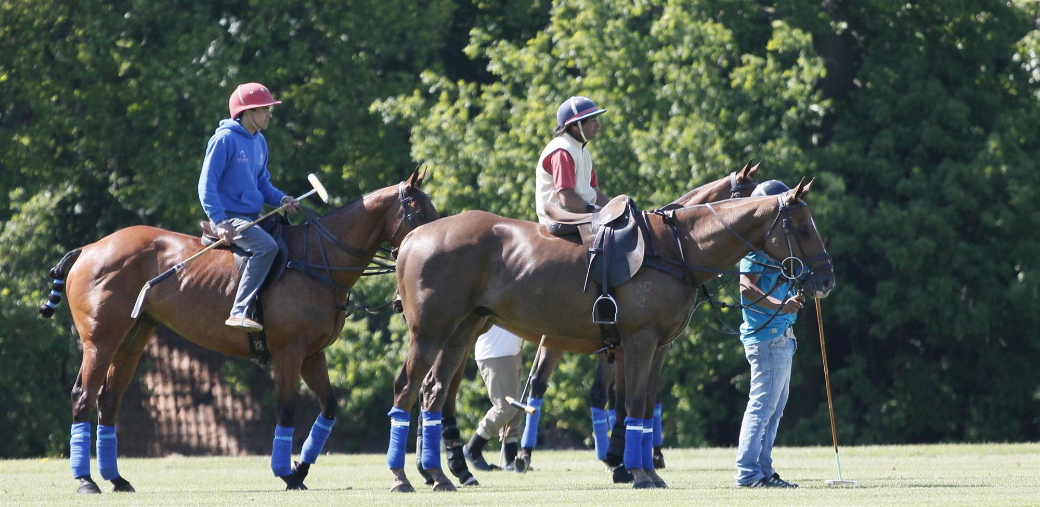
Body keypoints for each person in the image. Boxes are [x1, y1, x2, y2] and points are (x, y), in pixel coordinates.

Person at [198, 82, 301, 332]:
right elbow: (205, 186)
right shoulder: (225, 140)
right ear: (246, 112)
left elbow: (262, 183)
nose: (269, 114)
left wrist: (281, 199)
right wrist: (220, 221)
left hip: (252, 216)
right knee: (267, 247)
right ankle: (238, 310)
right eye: (263, 109)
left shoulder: (259, 141)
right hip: (229, 218)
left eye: (269, 109)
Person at [734, 179, 802, 489]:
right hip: (766, 337)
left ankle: (763, 470)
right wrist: (781, 304)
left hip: (781, 336)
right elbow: (746, 288)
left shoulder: (776, 244)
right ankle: (748, 473)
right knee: (762, 407)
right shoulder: (755, 246)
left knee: (774, 410)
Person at [534, 95, 610, 224]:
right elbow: (567, 199)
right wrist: (598, 213)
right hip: (561, 222)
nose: (597, 125)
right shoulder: (562, 151)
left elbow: (595, 193)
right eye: (592, 120)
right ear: (575, 125)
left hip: (580, 218)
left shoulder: (582, 151)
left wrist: (616, 210)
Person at [462, 326, 526, 472]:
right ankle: (473, 448)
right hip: (494, 353)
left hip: (512, 352)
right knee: (504, 408)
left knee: (516, 409)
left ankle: (511, 460)